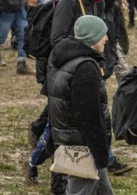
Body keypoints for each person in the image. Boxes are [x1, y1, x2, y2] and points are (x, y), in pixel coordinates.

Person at [47, 15, 114, 195]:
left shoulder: (64, 61)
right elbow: (89, 116)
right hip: (82, 147)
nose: (106, 39)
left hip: (73, 141)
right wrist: (100, 152)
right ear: (91, 39)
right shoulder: (85, 68)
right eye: (102, 35)